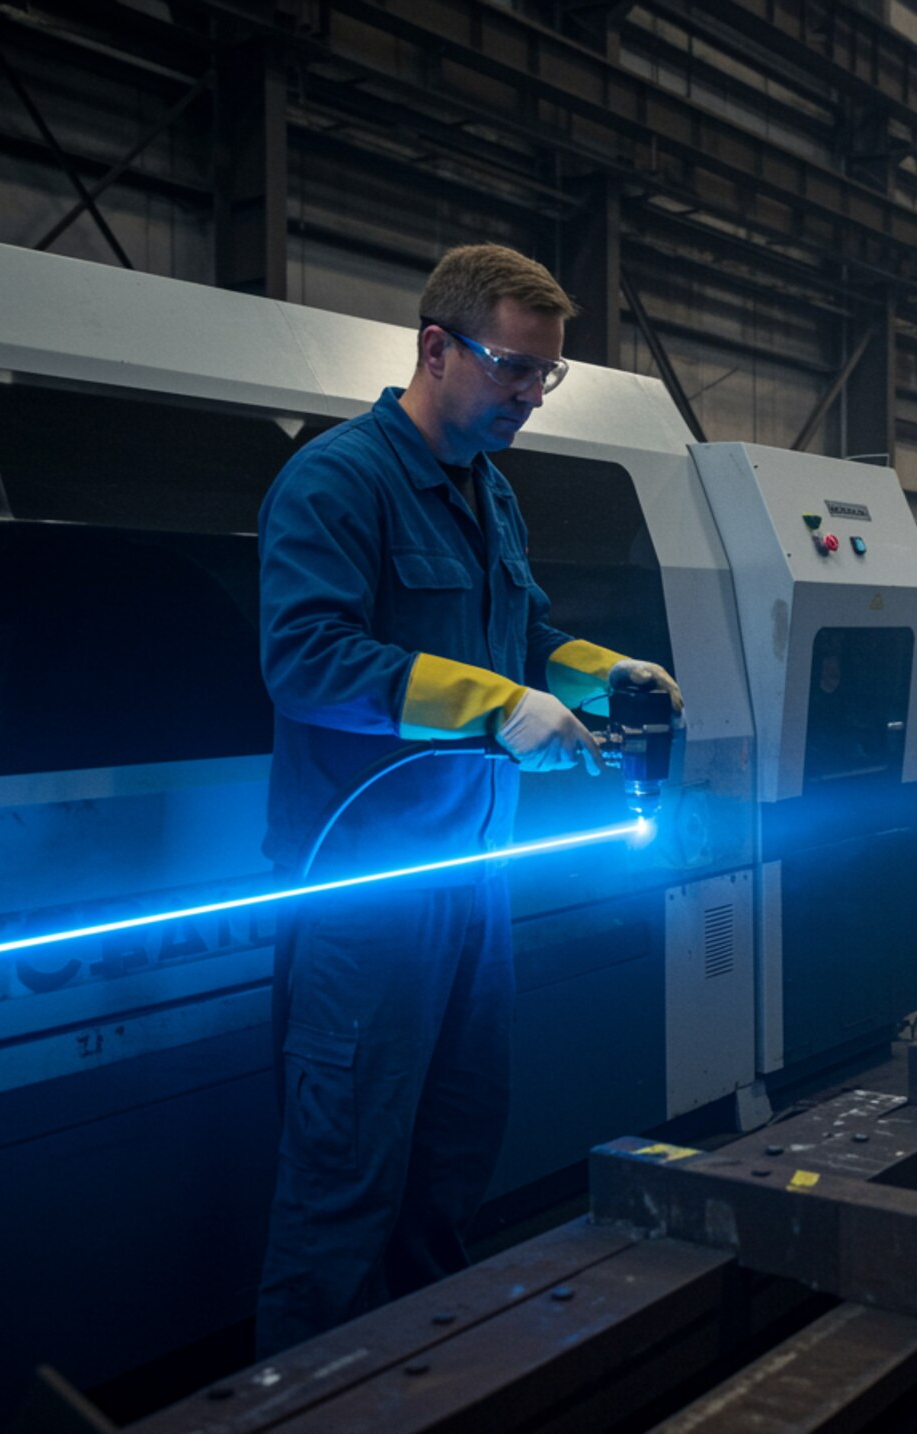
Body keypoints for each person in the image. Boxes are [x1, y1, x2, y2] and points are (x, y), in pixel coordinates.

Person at [253, 244, 679, 1357]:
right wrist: (495, 707)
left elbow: (525, 635)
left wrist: (604, 673)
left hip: (469, 884)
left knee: (448, 1167)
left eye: (546, 376)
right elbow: (306, 660)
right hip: (363, 896)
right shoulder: (338, 481)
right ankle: (310, 1396)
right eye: (511, 369)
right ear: (435, 349)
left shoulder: (486, 494)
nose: (530, 398)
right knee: (342, 1192)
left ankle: (421, 1382)